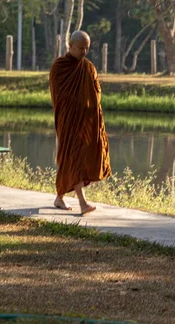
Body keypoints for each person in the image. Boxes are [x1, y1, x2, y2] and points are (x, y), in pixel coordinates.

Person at [49, 30, 111, 214]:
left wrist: (91, 108)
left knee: (77, 157)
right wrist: (76, 104)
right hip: (68, 120)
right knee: (73, 155)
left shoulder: (88, 67)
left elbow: (96, 92)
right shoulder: (59, 67)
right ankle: (83, 203)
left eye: (87, 48)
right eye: (81, 48)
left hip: (85, 121)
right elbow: (59, 95)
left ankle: (60, 197)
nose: (84, 52)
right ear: (70, 46)